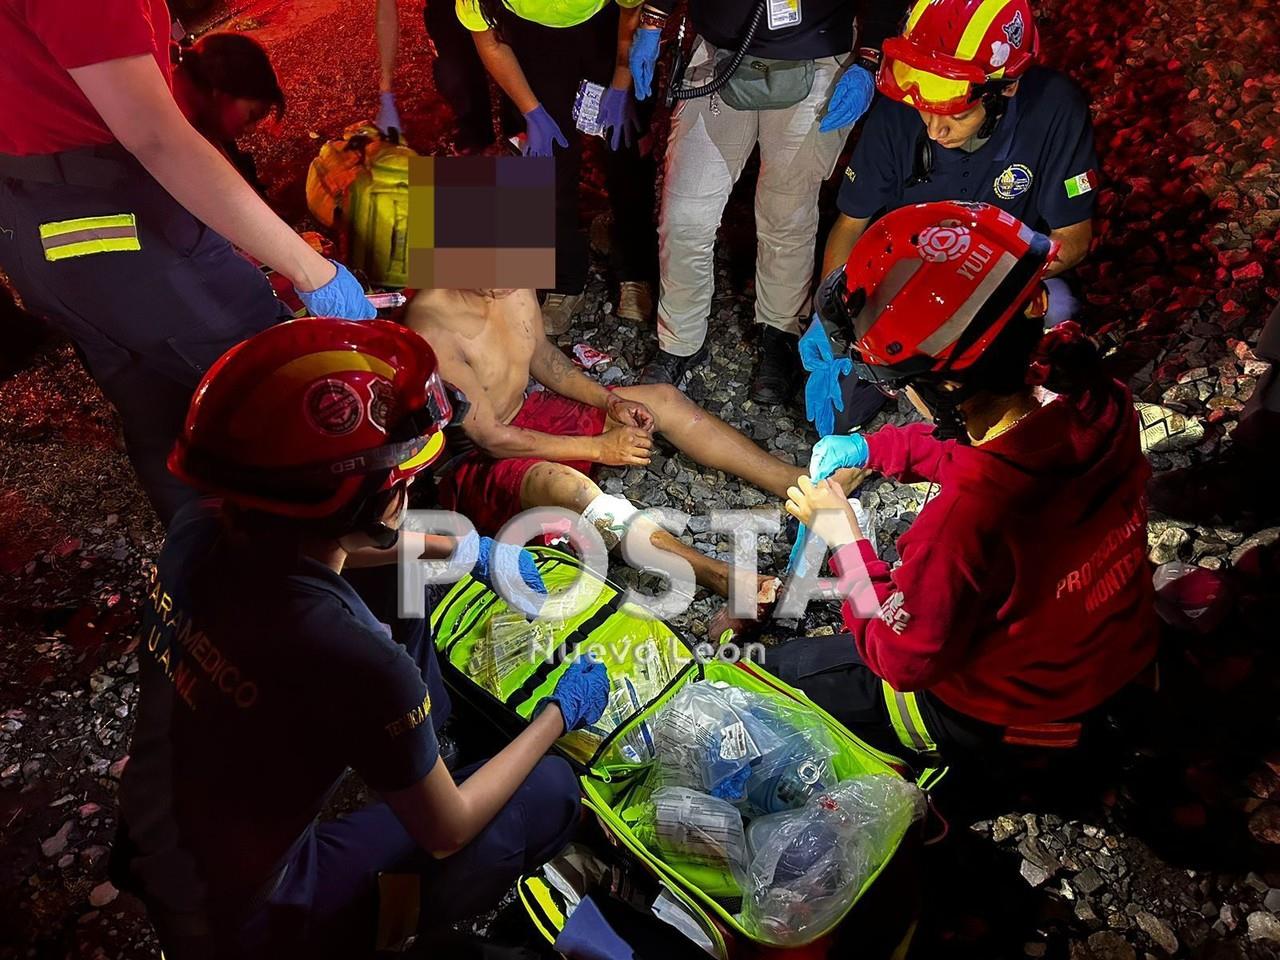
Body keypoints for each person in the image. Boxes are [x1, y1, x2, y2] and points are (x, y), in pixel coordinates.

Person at [111, 317, 609, 959]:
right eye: (403, 482)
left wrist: (460, 548)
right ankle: (360, 930)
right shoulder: (353, 655)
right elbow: (446, 830)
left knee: (415, 580)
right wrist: (555, 715)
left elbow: (321, 541)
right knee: (550, 791)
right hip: (252, 920)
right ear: (381, 498)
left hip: (156, 837)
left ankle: (431, 746)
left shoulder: (199, 525)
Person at [768, 202, 1158, 770]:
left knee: (777, 676)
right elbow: (1001, 446)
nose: (898, 395)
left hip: (1014, 714)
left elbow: (901, 658)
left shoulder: (965, 520)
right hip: (1109, 656)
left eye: (898, 383)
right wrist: (880, 449)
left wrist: (844, 541)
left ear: (946, 385)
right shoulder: (1096, 396)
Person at [0, 0, 373, 526]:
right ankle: (344, 570)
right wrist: (314, 271)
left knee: (157, 411)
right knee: (282, 386)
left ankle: (203, 576)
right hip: (113, 217)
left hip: (32, 225)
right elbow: (156, 137)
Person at [408, 287, 859, 607]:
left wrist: (612, 401)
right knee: (572, 489)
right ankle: (713, 572)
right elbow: (490, 437)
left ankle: (797, 482)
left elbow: (542, 355)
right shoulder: (432, 325)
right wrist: (600, 447)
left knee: (661, 400)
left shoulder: (508, 285)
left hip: (531, 412)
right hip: (480, 461)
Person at [816, 0, 1099, 430]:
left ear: (1005, 89)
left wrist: (972, 297)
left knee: (1055, 315)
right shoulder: (899, 111)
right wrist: (835, 316)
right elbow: (852, 223)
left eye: (957, 115)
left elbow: (1072, 238)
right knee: (840, 412)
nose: (934, 129)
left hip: (1007, 282)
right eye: (925, 110)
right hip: (906, 285)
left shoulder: (1054, 110)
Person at [628, 0, 907, 402]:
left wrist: (868, 57)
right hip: (719, 56)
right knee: (684, 214)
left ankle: (781, 332)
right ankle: (679, 342)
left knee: (788, 214)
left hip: (816, 58)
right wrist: (653, 21)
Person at [457, 0, 657, 333]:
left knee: (625, 149)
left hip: (607, 30)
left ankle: (635, 272)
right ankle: (564, 281)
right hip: (532, 43)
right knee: (543, 163)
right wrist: (531, 111)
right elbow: (488, 41)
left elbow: (632, 14)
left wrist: (621, 85)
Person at [374, 0, 517, 152]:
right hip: (448, 8)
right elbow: (385, 11)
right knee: (453, 73)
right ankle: (475, 134)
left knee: (515, 55)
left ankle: (519, 126)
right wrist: (386, 94)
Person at [172, 31, 285, 192]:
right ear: (220, 93)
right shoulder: (176, 131)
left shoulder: (201, 110)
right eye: (251, 116)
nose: (251, 129)